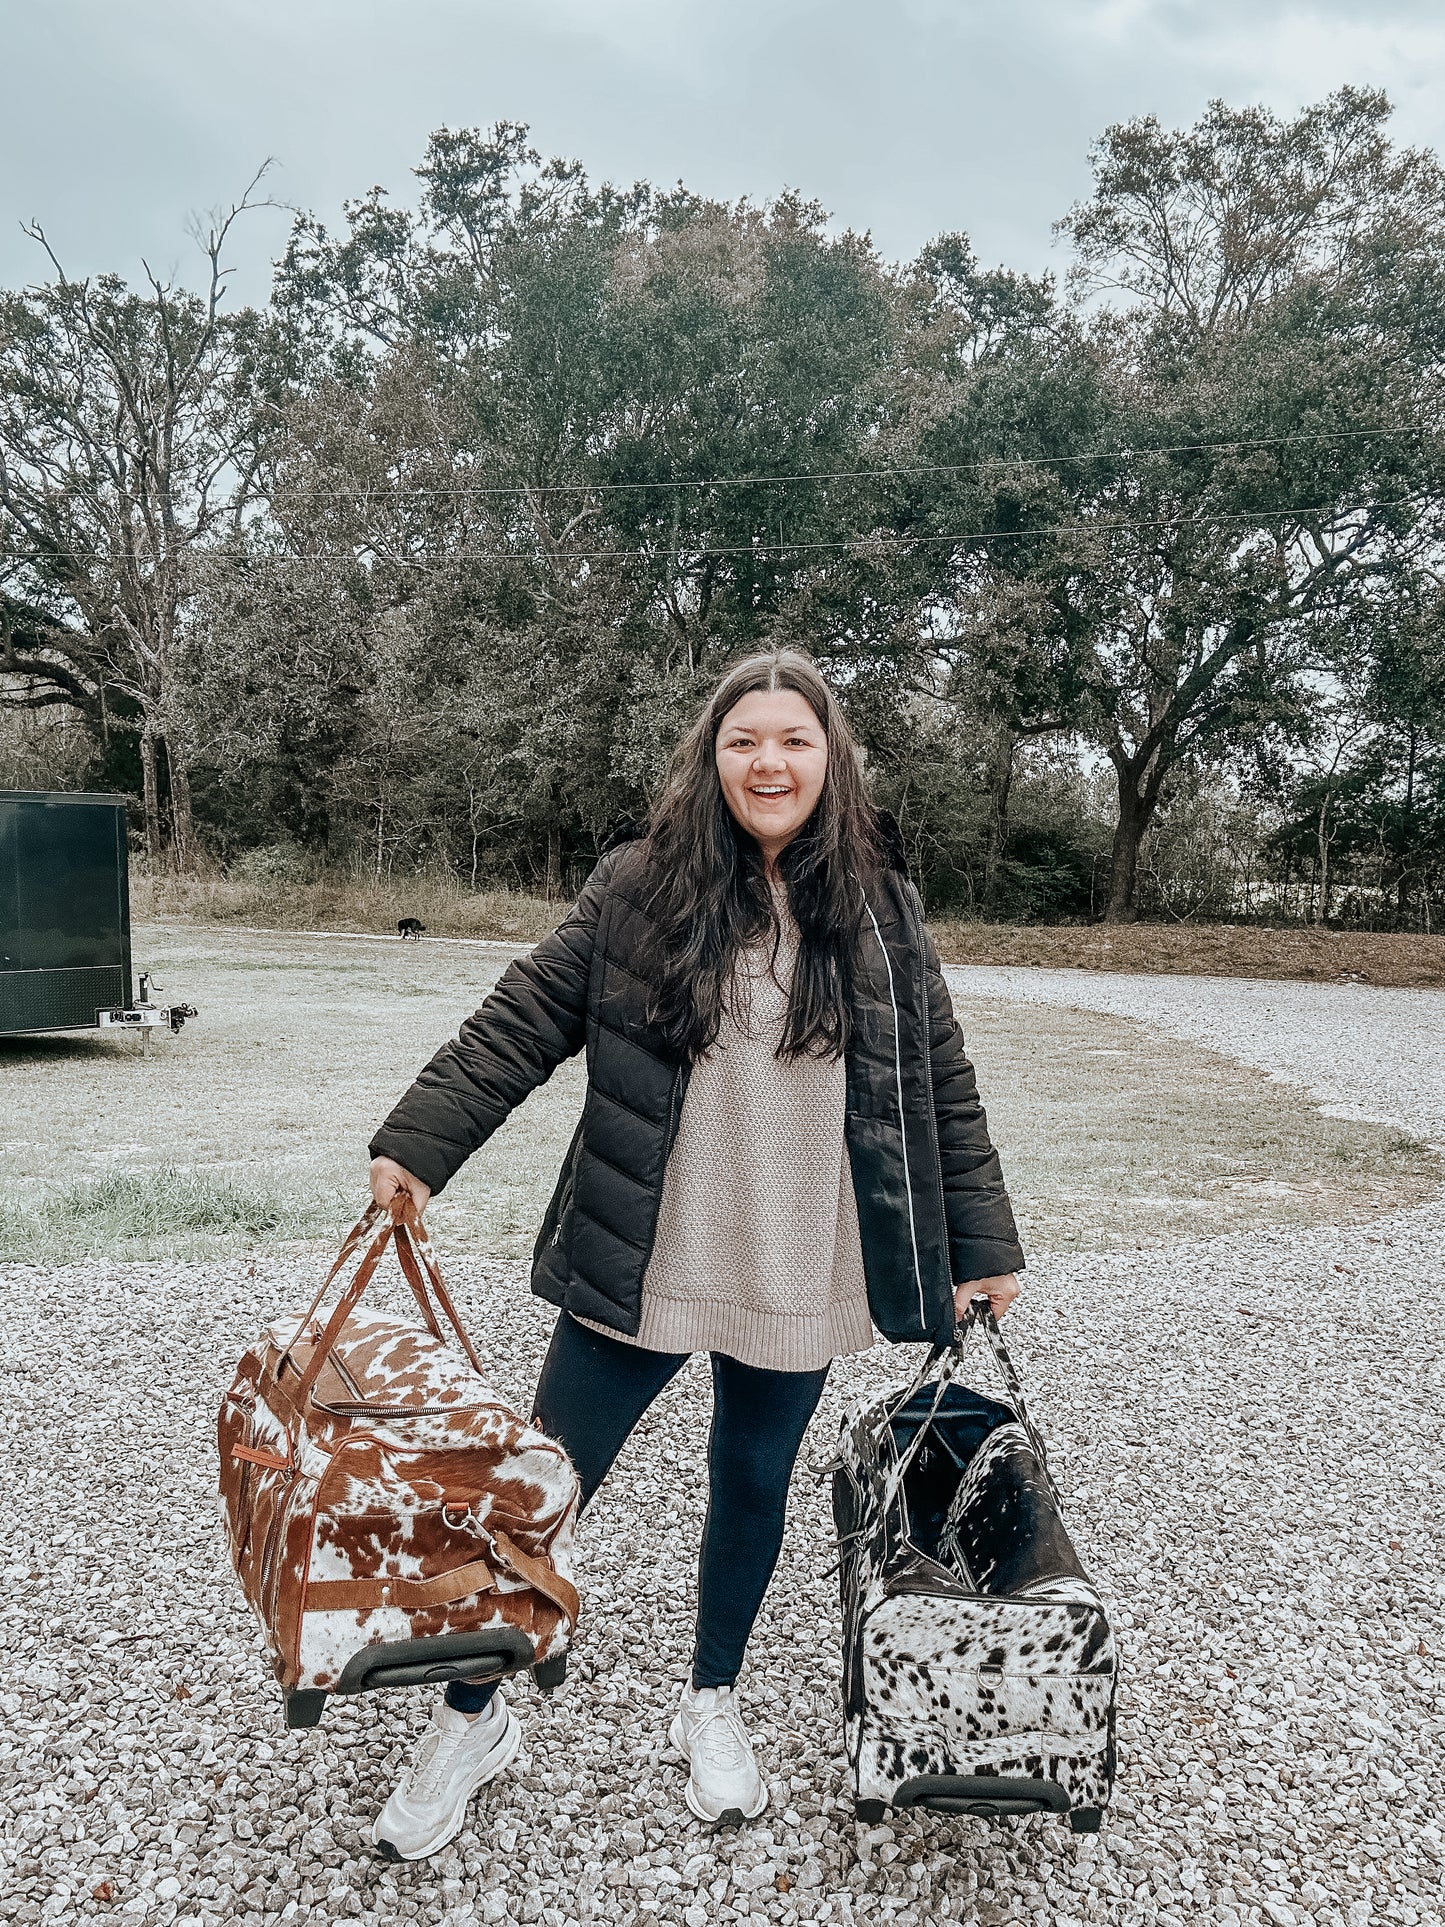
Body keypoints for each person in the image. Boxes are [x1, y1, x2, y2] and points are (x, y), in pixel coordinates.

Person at [365, 649, 1024, 1861]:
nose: (767, 761)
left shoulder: (882, 907)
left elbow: (939, 1078)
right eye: (742, 740)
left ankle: (709, 1697)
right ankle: (472, 1715)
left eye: (792, 740)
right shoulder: (638, 886)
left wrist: (981, 1238)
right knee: (544, 1489)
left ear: (829, 761)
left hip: (800, 1252)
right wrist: (419, 1139)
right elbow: (520, 1018)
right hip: (648, 1248)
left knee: (752, 1483)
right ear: (709, 758)